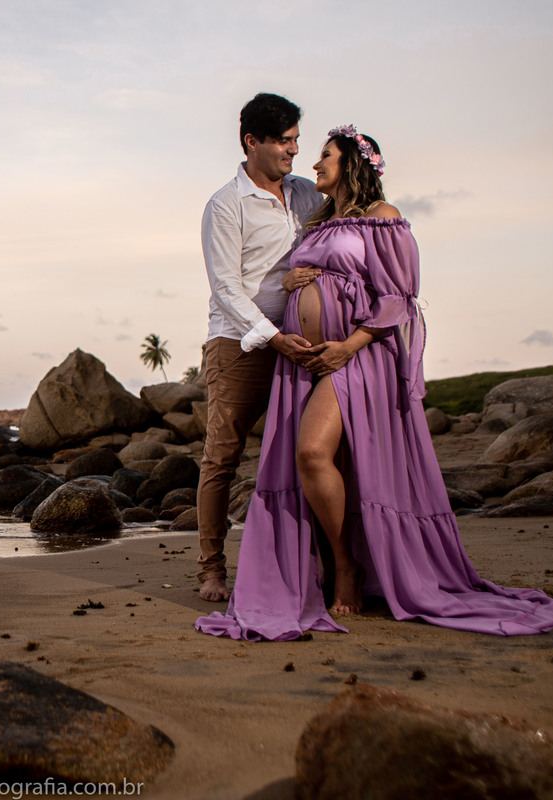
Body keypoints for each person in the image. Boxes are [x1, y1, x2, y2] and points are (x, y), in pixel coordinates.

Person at [196, 125, 553, 639]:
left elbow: (399, 298)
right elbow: (276, 273)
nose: (311, 160)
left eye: (323, 153)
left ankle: (347, 566)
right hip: (300, 363)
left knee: (310, 454)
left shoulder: (383, 218)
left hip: (353, 357)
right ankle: (324, 566)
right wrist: (288, 282)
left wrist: (348, 344)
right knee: (299, 460)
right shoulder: (317, 217)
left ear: (351, 163)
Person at [197, 93, 323, 602]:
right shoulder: (225, 205)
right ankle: (210, 569)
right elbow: (226, 287)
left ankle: (305, 563)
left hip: (302, 338)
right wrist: (273, 339)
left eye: (297, 139)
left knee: (307, 451)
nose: (295, 150)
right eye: (285, 141)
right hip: (239, 343)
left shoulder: (309, 195)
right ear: (253, 142)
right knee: (222, 456)